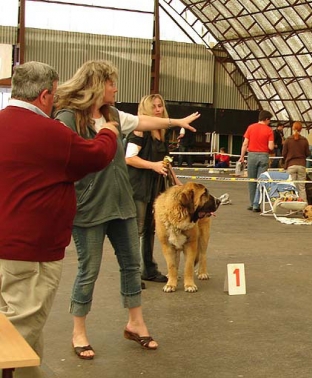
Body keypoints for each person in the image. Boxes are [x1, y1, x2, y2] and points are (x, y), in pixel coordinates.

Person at [53, 60, 199, 359]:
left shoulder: (113, 115)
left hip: (122, 205)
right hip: (89, 208)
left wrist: (175, 122)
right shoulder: (68, 119)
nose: (115, 88)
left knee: (132, 266)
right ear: (96, 85)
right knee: (88, 271)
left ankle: (136, 323)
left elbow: (145, 121)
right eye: (111, 83)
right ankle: (78, 331)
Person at [0, 61, 118, 378]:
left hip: (5, 244)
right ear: (44, 95)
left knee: (19, 325)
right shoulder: (51, 133)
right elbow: (97, 156)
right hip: (31, 251)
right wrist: (108, 133)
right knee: (18, 331)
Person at [126, 94, 181, 285]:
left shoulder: (162, 132)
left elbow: (166, 160)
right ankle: (131, 275)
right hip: (138, 187)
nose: (158, 109)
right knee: (136, 230)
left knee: (150, 228)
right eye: (154, 107)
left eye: (160, 106)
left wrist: (175, 180)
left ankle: (148, 270)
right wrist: (153, 166)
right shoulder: (140, 131)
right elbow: (129, 158)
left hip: (155, 187)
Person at [238, 110, 275, 212]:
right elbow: (270, 147)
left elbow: (245, 144)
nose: (269, 122)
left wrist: (242, 156)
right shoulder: (269, 130)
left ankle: (252, 203)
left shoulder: (251, 127)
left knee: (251, 180)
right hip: (264, 156)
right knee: (261, 181)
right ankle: (256, 204)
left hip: (252, 156)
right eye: (269, 120)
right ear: (266, 119)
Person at [282, 121, 310, 201]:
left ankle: (292, 206)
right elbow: (307, 153)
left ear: (292, 129)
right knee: (302, 187)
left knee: (291, 187)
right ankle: (304, 206)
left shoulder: (288, 140)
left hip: (291, 165)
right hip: (301, 165)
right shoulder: (304, 140)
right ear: (301, 129)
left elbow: (284, 153)